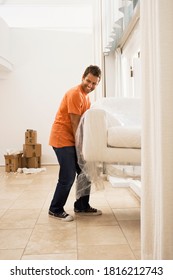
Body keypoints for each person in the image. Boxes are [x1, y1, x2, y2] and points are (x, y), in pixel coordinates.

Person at [48, 65, 102, 222]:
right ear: (83, 77)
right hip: (62, 139)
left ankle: (82, 206)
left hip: (73, 139)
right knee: (68, 175)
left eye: (94, 83)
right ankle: (55, 209)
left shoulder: (86, 97)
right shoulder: (75, 94)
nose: (90, 85)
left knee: (85, 171)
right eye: (88, 81)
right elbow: (75, 124)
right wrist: (81, 148)